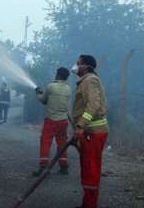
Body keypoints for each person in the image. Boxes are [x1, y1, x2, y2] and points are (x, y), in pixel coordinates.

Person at [71, 55, 108, 208]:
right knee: (88, 167)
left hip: (92, 132)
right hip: (90, 132)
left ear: (85, 66)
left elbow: (93, 105)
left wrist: (80, 126)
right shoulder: (85, 81)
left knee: (90, 168)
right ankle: (88, 203)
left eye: (78, 63)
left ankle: (90, 205)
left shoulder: (89, 80)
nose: (75, 66)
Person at [32, 67, 71, 176]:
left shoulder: (51, 86)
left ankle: (43, 166)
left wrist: (38, 93)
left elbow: (44, 101)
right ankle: (64, 167)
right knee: (62, 144)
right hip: (63, 121)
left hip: (51, 120)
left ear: (58, 75)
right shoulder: (68, 88)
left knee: (45, 142)